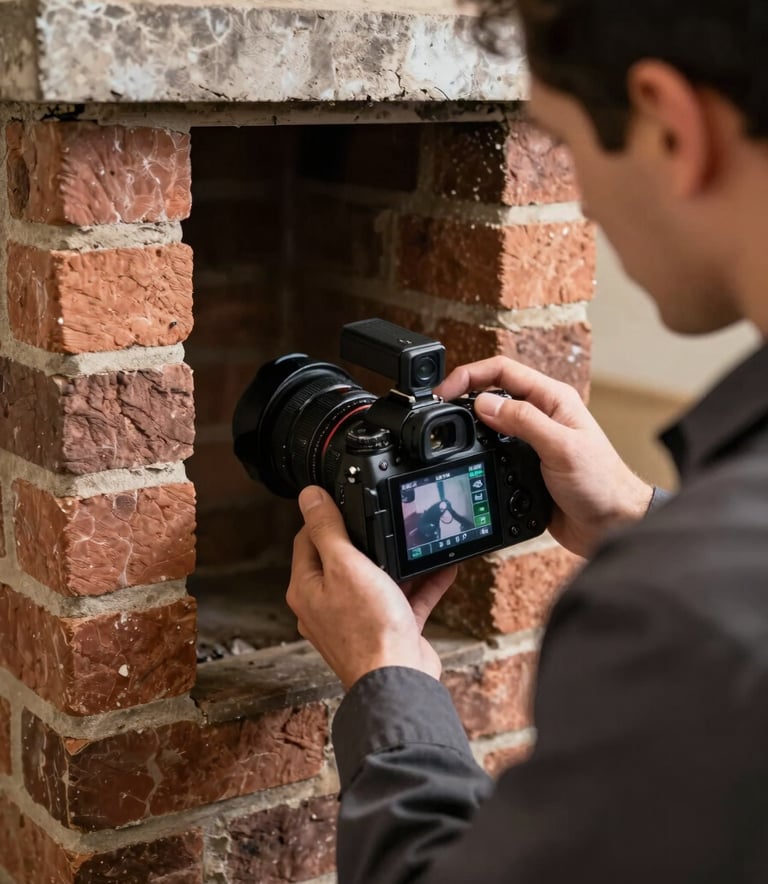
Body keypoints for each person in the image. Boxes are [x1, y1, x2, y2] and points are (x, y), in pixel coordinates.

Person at [285, 1, 768, 880]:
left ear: (670, 125)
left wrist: (389, 676)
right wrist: (633, 515)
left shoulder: (683, 616)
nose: (579, 192)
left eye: (567, 142)